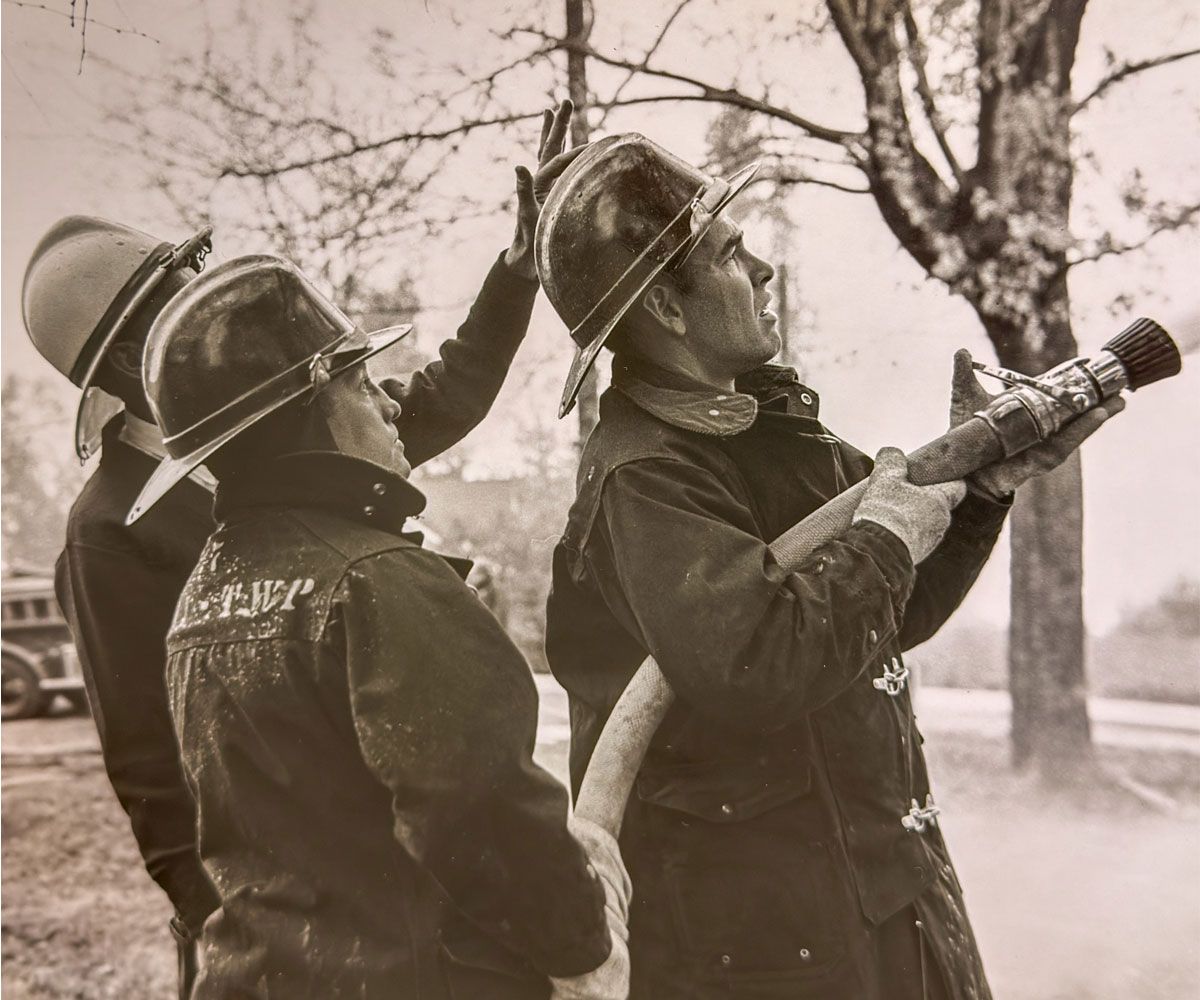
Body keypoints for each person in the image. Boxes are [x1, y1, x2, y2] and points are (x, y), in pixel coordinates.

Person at [536, 134, 1123, 1000]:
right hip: (766, 954)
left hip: (889, 905)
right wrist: (882, 537)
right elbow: (758, 663)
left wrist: (984, 494)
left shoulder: (771, 431)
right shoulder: (646, 479)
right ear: (664, 306)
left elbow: (889, 609)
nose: (764, 269)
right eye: (733, 254)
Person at [21, 100, 585, 998]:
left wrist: (517, 275)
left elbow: (436, 397)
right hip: (269, 933)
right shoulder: (107, 533)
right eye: (176, 301)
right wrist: (251, 935)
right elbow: (154, 779)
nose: (207, 311)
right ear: (130, 362)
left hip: (388, 902)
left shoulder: (301, 435)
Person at [129, 245, 630, 999]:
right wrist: (584, 950)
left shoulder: (205, 595)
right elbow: (483, 812)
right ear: (310, 405)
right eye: (363, 383)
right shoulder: (377, 581)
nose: (394, 404)